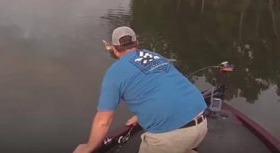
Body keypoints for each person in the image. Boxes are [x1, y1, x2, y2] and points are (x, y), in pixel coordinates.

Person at [73, 26, 208, 153]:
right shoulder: (154, 56)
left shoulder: (114, 73)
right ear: (136, 43)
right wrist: (141, 115)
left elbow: (103, 120)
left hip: (169, 135)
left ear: (114, 49)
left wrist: (88, 148)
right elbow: (166, 85)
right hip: (201, 123)